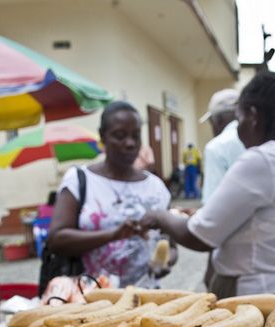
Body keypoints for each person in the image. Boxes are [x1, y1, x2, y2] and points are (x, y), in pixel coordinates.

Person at [140, 71, 275, 299]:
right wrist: (199, 215)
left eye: (239, 120)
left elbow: (199, 236)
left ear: (253, 115)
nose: (238, 131)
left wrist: (160, 216)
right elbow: (264, 221)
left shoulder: (262, 159)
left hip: (260, 295)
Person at [47, 101, 175, 287]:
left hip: (147, 300)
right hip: (92, 300)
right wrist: (113, 235)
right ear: (103, 137)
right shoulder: (79, 180)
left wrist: (165, 261)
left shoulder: (155, 187)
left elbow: (169, 244)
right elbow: (56, 239)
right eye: (120, 136)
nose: (130, 143)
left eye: (136, 136)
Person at [200, 88, 245, 287]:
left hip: (231, 259)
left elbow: (214, 215)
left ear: (217, 121)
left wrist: (211, 266)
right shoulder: (262, 139)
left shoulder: (217, 147)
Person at [200, 88, 245, 203]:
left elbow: (212, 201)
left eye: (211, 122)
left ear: (218, 120)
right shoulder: (258, 137)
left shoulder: (216, 147)